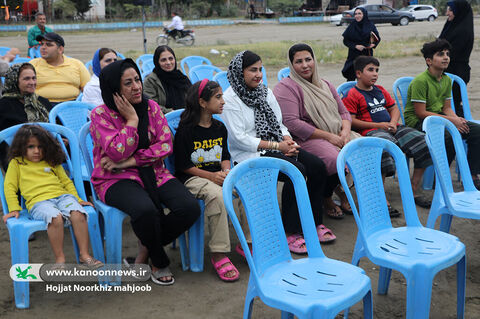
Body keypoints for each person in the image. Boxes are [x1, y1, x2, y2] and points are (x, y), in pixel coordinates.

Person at [90, 59, 200, 285]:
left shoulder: (152, 108)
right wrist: (131, 120)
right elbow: (116, 151)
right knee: (145, 210)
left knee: (189, 208)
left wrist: (132, 160)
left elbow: (165, 145)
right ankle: (159, 261)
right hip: (114, 179)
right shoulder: (100, 115)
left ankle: (145, 250)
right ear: (114, 90)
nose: (137, 87)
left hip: (154, 173)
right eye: (128, 83)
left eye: (137, 80)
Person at [222, 50, 335, 253]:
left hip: (277, 146)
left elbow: (279, 123)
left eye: (260, 69)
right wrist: (277, 147)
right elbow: (239, 139)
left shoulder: (265, 92)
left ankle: (314, 222)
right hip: (250, 155)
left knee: (317, 166)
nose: (258, 74)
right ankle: (291, 231)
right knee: (297, 170)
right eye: (252, 70)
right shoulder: (230, 99)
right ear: (240, 72)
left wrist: (287, 140)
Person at [274, 43, 358, 220]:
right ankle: (326, 197)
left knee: (361, 153)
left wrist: (345, 132)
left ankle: (343, 195)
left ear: (314, 61)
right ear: (291, 65)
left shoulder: (325, 84)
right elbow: (293, 123)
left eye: (308, 59)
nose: (305, 65)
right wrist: (330, 137)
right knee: (336, 160)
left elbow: (343, 112)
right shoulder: (286, 87)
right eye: (298, 61)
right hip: (307, 138)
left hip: (337, 133)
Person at [3, 124, 103, 269]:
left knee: (78, 214)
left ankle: (84, 255)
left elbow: (66, 181)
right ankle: (60, 259)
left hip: (63, 197)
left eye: (40, 147)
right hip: (39, 202)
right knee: (55, 218)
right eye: (31, 147)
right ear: (21, 146)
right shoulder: (17, 163)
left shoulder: (50, 161)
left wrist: (78, 199)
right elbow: (10, 187)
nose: (36, 151)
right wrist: (13, 208)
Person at [342, 56, 433, 210]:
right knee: (383, 147)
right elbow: (352, 121)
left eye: (377, 70)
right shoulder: (352, 94)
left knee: (424, 142)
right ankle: (380, 196)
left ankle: (412, 188)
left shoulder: (380, 90)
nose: (375, 74)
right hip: (370, 131)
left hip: (392, 128)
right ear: (358, 73)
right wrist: (379, 125)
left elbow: (394, 108)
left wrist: (392, 122)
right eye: (370, 70)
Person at [174, 79, 240, 281]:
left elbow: (225, 156)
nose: (223, 102)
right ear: (203, 103)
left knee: (242, 190)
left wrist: (226, 171)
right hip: (194, 177)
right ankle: (219, 253)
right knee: (217, 196)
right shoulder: (186, 131)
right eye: (218, 97)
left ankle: (248, 243)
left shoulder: (219, 127)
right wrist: (212, 176)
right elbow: (183, 165)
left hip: (218, 175)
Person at [404, 39, 480, 189]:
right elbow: (420, 113)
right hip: (419, 123)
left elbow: (446, 108)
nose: (446, 57)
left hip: (438, 118)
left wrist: (456, 120)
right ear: (429, 61)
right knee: (450, 136)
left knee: (477, 131)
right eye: (440, 54)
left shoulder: (446, 79)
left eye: (447, 54)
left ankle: (471, 175)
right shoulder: (420, 81)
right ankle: (440, 178)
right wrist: (450, 123)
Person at [0, 63, 52, 170]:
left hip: (46, 151)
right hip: (16, 156)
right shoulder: (3, 106)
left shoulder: (41, 102)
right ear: (14, 81)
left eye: (34, 78)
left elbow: (56, 126)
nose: (32, 82)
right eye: (27, 79)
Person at [30, 32, 90, 104]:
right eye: (42, 44)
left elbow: (87, 90)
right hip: (41, 106)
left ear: (60, 49)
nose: (43, 47)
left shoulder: (77, 64)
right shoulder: (33, 65)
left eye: (49, 45)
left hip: (71, 106)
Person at [439, 0, 474, 118]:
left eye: (450, 10)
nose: (447, 13)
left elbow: (448, 53)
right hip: (447, 72)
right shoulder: (452, 26)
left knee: (450, 107)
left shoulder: (463, 31)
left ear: (459, 12)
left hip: (456, 74)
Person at [143, 45, 191, 113]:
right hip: (164, 119)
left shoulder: (181, 78)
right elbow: (151, 104)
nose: (168, 63)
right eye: (163, 60)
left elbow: (192, 97)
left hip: (186, 116)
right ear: (157, 62)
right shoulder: (151, 81)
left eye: (171, 58)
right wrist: (172, 112)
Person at [341, 7, 380, 81]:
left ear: (364, 14)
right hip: (354, 54)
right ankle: (350, 92)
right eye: (355, 14)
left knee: (365, 76)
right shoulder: (352, 26)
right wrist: (355, 46)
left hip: (366, 54)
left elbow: (377, 38)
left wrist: (373, 44)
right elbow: (345, 41)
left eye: (359, 13)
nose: (357, 16)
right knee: (351, 75)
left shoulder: (370, 25)